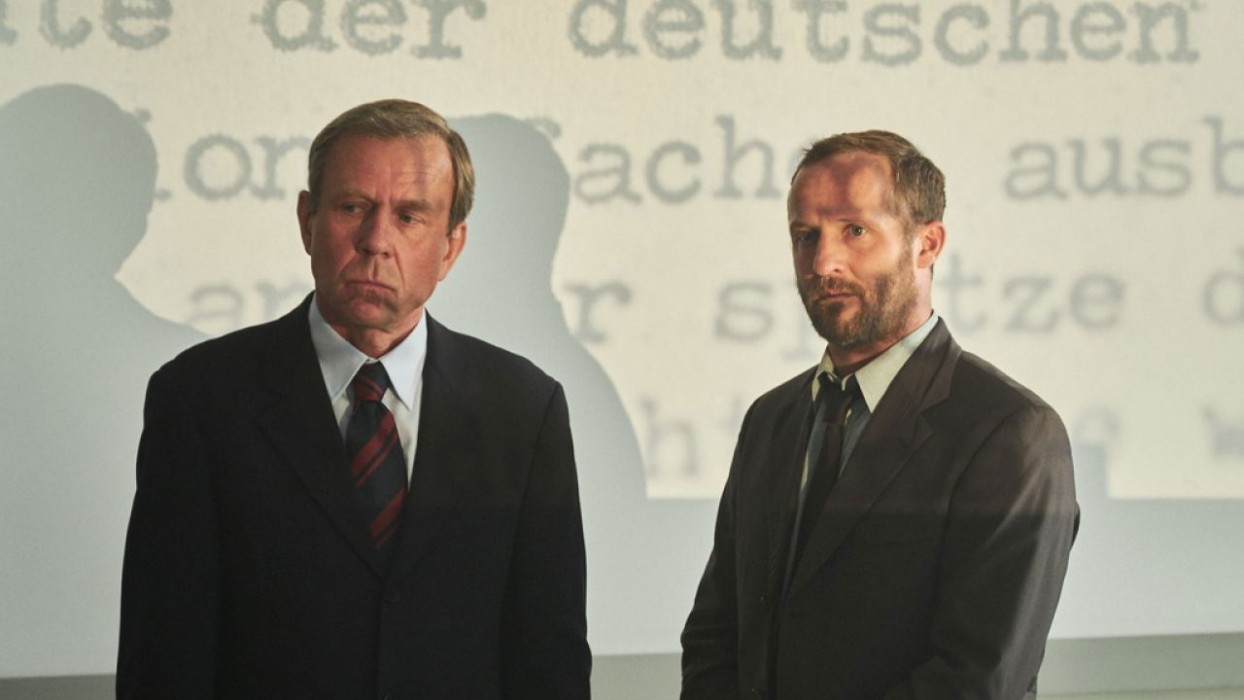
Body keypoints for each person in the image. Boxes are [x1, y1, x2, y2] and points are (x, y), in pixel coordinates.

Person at [117, 99, 591, 698]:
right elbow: (163, 657)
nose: (375, 241)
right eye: (352, 208)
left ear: (450, 247)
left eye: (409, 216)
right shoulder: (200, 400)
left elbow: (549, 660)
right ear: (306, 221)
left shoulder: (524, 409)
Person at [680, 131, 1078, 699]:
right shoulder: (770, 420)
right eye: (805, 236)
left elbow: (976, 679)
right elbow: (716, 637)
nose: (823, 262)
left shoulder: (1010, 433)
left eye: (855, 231)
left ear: (927, 244)